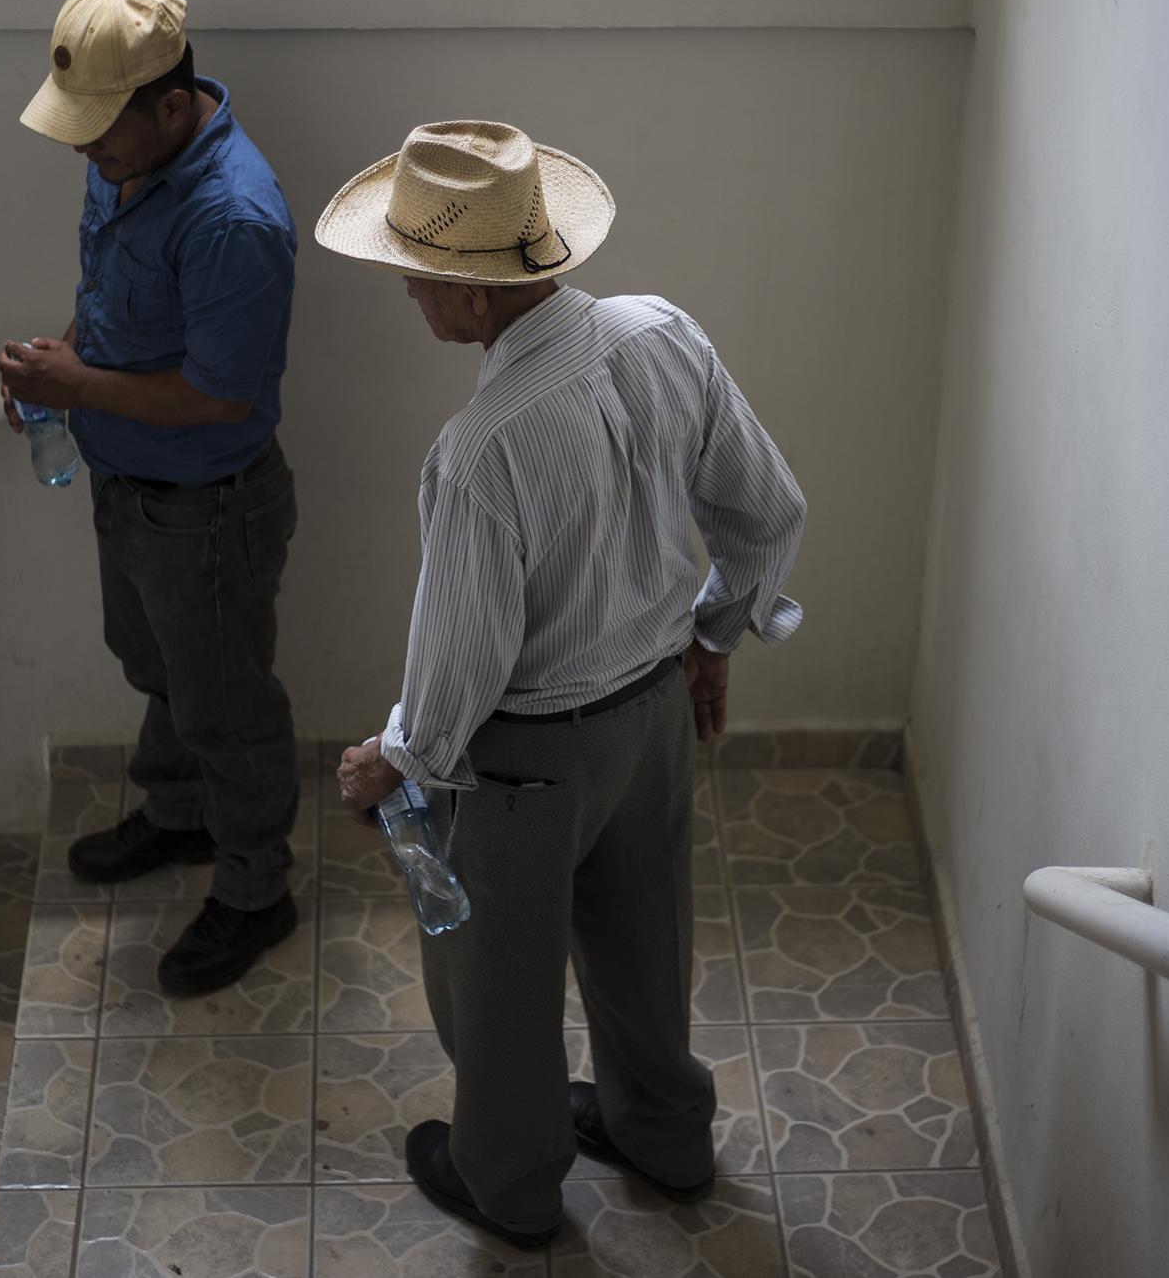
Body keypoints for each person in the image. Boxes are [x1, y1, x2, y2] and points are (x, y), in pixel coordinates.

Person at [317, 121, 806, 1248]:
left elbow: (458, 667)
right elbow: (766, 511)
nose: (405, 291)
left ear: (476, 300)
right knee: (645, 943)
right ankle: (667, 1135)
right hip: (653, 719)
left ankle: (514, 1184)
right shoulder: (662, 333)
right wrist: (713, 640)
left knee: (493, 985)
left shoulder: (479, 448)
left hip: (526, 762)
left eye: (416, 274)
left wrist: (391, 760)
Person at [0, 0, 301, 997]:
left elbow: (220, 399)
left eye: (101, 137)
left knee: (225, 706)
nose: (87, 156)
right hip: (131, 484)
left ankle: (257, 887)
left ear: (170, 105)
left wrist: (76, 385)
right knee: (155, 668)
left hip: (206, 508)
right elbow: (106, 296)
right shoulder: (126, 156)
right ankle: (179, 817)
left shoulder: (231, 219)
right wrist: (59, 372)